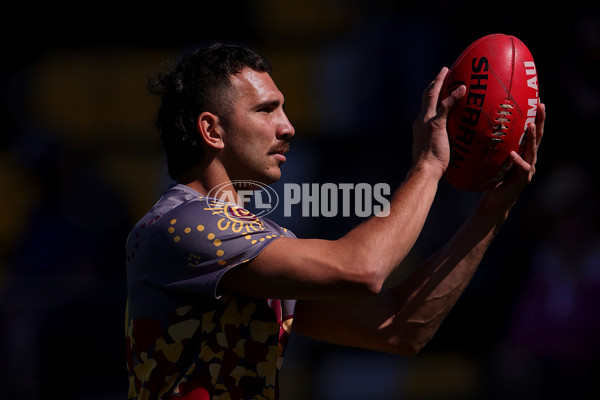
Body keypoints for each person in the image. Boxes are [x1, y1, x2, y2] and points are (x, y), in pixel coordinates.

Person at [125, 42, 545, 400]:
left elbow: (399, 329)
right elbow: (364, 269)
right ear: (211, 131)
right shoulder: (181, 227)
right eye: (267, 110)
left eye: (284, 110)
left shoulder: (256, 243)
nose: (287, 126)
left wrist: (491, 212)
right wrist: (429, 164)